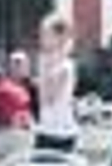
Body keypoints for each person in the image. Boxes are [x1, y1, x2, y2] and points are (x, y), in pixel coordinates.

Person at [33, 13, 80, 154]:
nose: (41, 39)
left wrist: (46, 69)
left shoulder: (66, 66)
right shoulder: (44, 61)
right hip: (45, 129)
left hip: (62, 133)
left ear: (59, 38)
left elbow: (48, 98)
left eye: (46, 34)